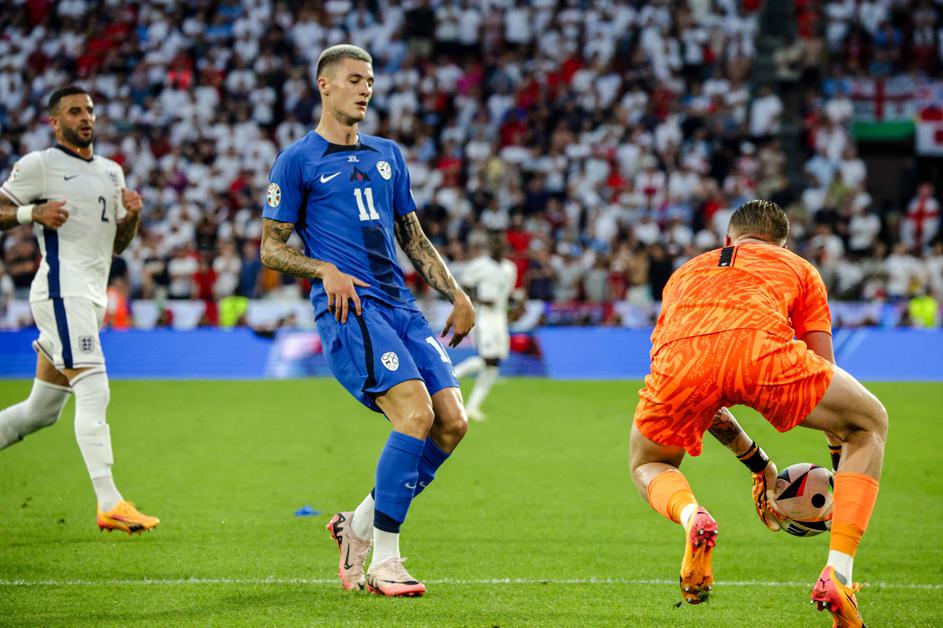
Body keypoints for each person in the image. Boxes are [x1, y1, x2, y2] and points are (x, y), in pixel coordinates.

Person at [259, 45, 475, 597]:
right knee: (415, 414)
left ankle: (353, 526)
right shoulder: (297, 160)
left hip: (402, 306)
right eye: (355, 79)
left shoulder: (388, 154)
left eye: (370, 81)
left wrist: (455, 293)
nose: (365, 90)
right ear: (325, 85)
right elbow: (270, 248)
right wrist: (323, 269)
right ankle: (386, 561)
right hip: (352, 309)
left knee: (452, 422)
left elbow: (412, 235)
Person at [629, 200, 887, 627]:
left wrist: (759, 464)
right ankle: (839, 576)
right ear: (782, 245)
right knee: (868, 422)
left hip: (680, 362)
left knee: (649, 461)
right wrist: (840, 469)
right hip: (760, 353)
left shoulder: (684, 274)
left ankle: (692, 516)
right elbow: (826, 372)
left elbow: (708, 392)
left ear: (727, 240)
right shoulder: (798, 268)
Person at [0, 86, 159, 534]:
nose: (85, 117)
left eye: (89, 110)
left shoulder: (111, 171)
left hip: (91, 296)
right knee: (94, 386)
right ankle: (109, 502)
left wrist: (132, 217)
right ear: (55, 122)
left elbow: (116, 246)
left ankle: (110, 502)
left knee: (41, 411)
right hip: (61, 290)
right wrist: (32, 214)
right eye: (74, 111)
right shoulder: (40, 165)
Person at [453, 230, 518, 421]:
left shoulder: (510, 268)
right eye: (495, 243)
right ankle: (448, 376)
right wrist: (480, 300)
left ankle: (472, 407)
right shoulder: (480, 265)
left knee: (494, 365)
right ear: (490, 246)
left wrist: (515, 305)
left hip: (500, 318)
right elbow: (464, 286)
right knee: (487, 360)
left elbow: (507, 293)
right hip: (484, 317)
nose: (498, 246)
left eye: (501, 243)